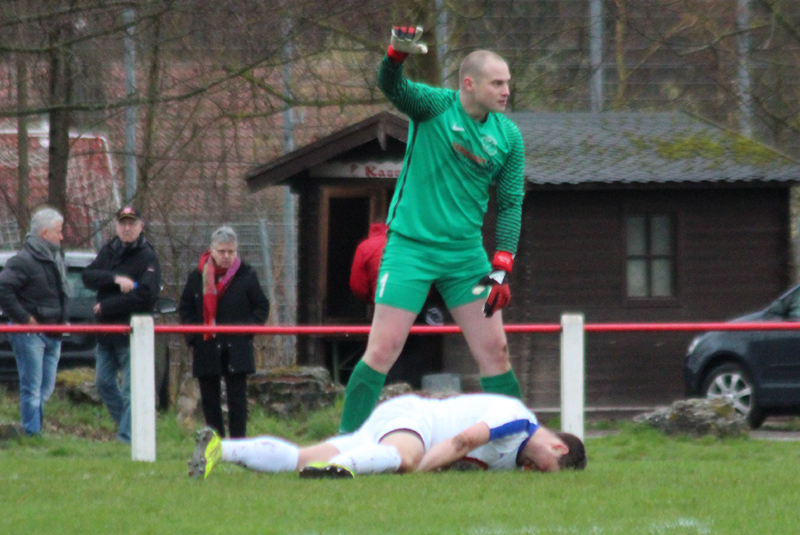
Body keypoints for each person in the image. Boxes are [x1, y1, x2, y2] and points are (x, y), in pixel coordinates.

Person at [338, 26, 526, 433]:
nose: (506, 90)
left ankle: (517, 442)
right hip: (410, 249)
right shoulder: (434, 106)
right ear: (469, 84)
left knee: (495, 350)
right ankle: (346, 444)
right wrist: (394, 56)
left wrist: (501, 266)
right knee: (383, 348)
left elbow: (510, 204)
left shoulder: (509, 136)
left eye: (508, 82)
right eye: (498, 83)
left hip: (464, 257)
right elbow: (393, 87)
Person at [188, 392, 586, 479]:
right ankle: (338, 470)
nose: (537, 472)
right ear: (558, 446)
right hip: (413, 419)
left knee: (300, 458)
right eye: (547, 467)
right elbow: (463, 441)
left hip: (394, 424)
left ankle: (221, 449)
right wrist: (420, 474)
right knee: (408, 458)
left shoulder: (516, 463)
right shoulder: (518, 418)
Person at [179, 226, 270, 439]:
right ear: (212, 250)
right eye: (222, 251)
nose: (227, 256)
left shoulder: (247, 275)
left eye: (231, 251)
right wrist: (194, 338)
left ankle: (239, 446)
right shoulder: (197, 277)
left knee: (237, 400)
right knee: (210, 401)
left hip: (236, 347)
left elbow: (261, 307)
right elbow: (186, 309)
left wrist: (246, 331)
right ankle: (216, 444)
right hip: (206, 346)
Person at [82, 206, 161, 443]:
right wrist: (115, 279)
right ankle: (132, 426)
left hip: (131, 333)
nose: (127, 228)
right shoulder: (109, 251)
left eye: (131, 223)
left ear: (140, 226)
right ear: (116, 226)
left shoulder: (148, 257)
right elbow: (88, 276)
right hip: (106, 333)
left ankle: (126, 438)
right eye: (123, 223)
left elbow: (146, 295)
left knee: (130, 390)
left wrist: (109, 306)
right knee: (103, 384)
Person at [0, 208, 69, 435]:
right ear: (45, 233)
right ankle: (32, 433)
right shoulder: (22, 262)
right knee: (32, 388)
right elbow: (3, 289)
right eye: (59, 232)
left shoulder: (56, 260)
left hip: (54, 333)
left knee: (45, 389)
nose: (62, 237)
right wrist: (25, 318)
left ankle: (33, 431)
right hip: (30, 334)